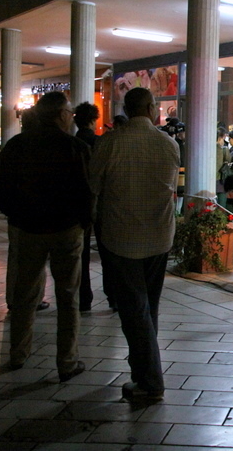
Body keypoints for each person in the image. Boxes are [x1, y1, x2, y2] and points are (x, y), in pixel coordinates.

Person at [90, 87, 180, 400]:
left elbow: (93, 186)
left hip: (121, 237)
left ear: (127, 110)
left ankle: (150, 381)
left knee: (134, 310)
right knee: (148, 306)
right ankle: (143, 372)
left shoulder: (110, 142)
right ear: (152, 108)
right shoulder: (168, 144)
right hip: (159, 236)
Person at [0, 91, 92, 381]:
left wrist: (16, 216)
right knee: (68, 295)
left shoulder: (17, 145)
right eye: (69, 112)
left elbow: (1, 189)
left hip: (28, 229)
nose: (71, 117)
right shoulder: (74, 147)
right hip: (66, 230)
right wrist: (83, 222)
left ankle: (18, 353)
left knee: (25, 293)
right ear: (61, 115)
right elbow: (86, 191)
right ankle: (67, 361)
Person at [74, 102, 100, 312]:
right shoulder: (99, 142)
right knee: (107, 253)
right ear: (93, 120)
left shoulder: (71, 143)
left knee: (80, 256)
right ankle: (113, 297)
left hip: (77, 205)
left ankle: (83, 298)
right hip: (99, 202)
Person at [216, 127, 231, 206]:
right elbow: (228, 160)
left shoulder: (205, 149)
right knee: (221, 203)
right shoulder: (224, 150)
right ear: (220, 138)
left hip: (207, 180)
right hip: (220, 179)